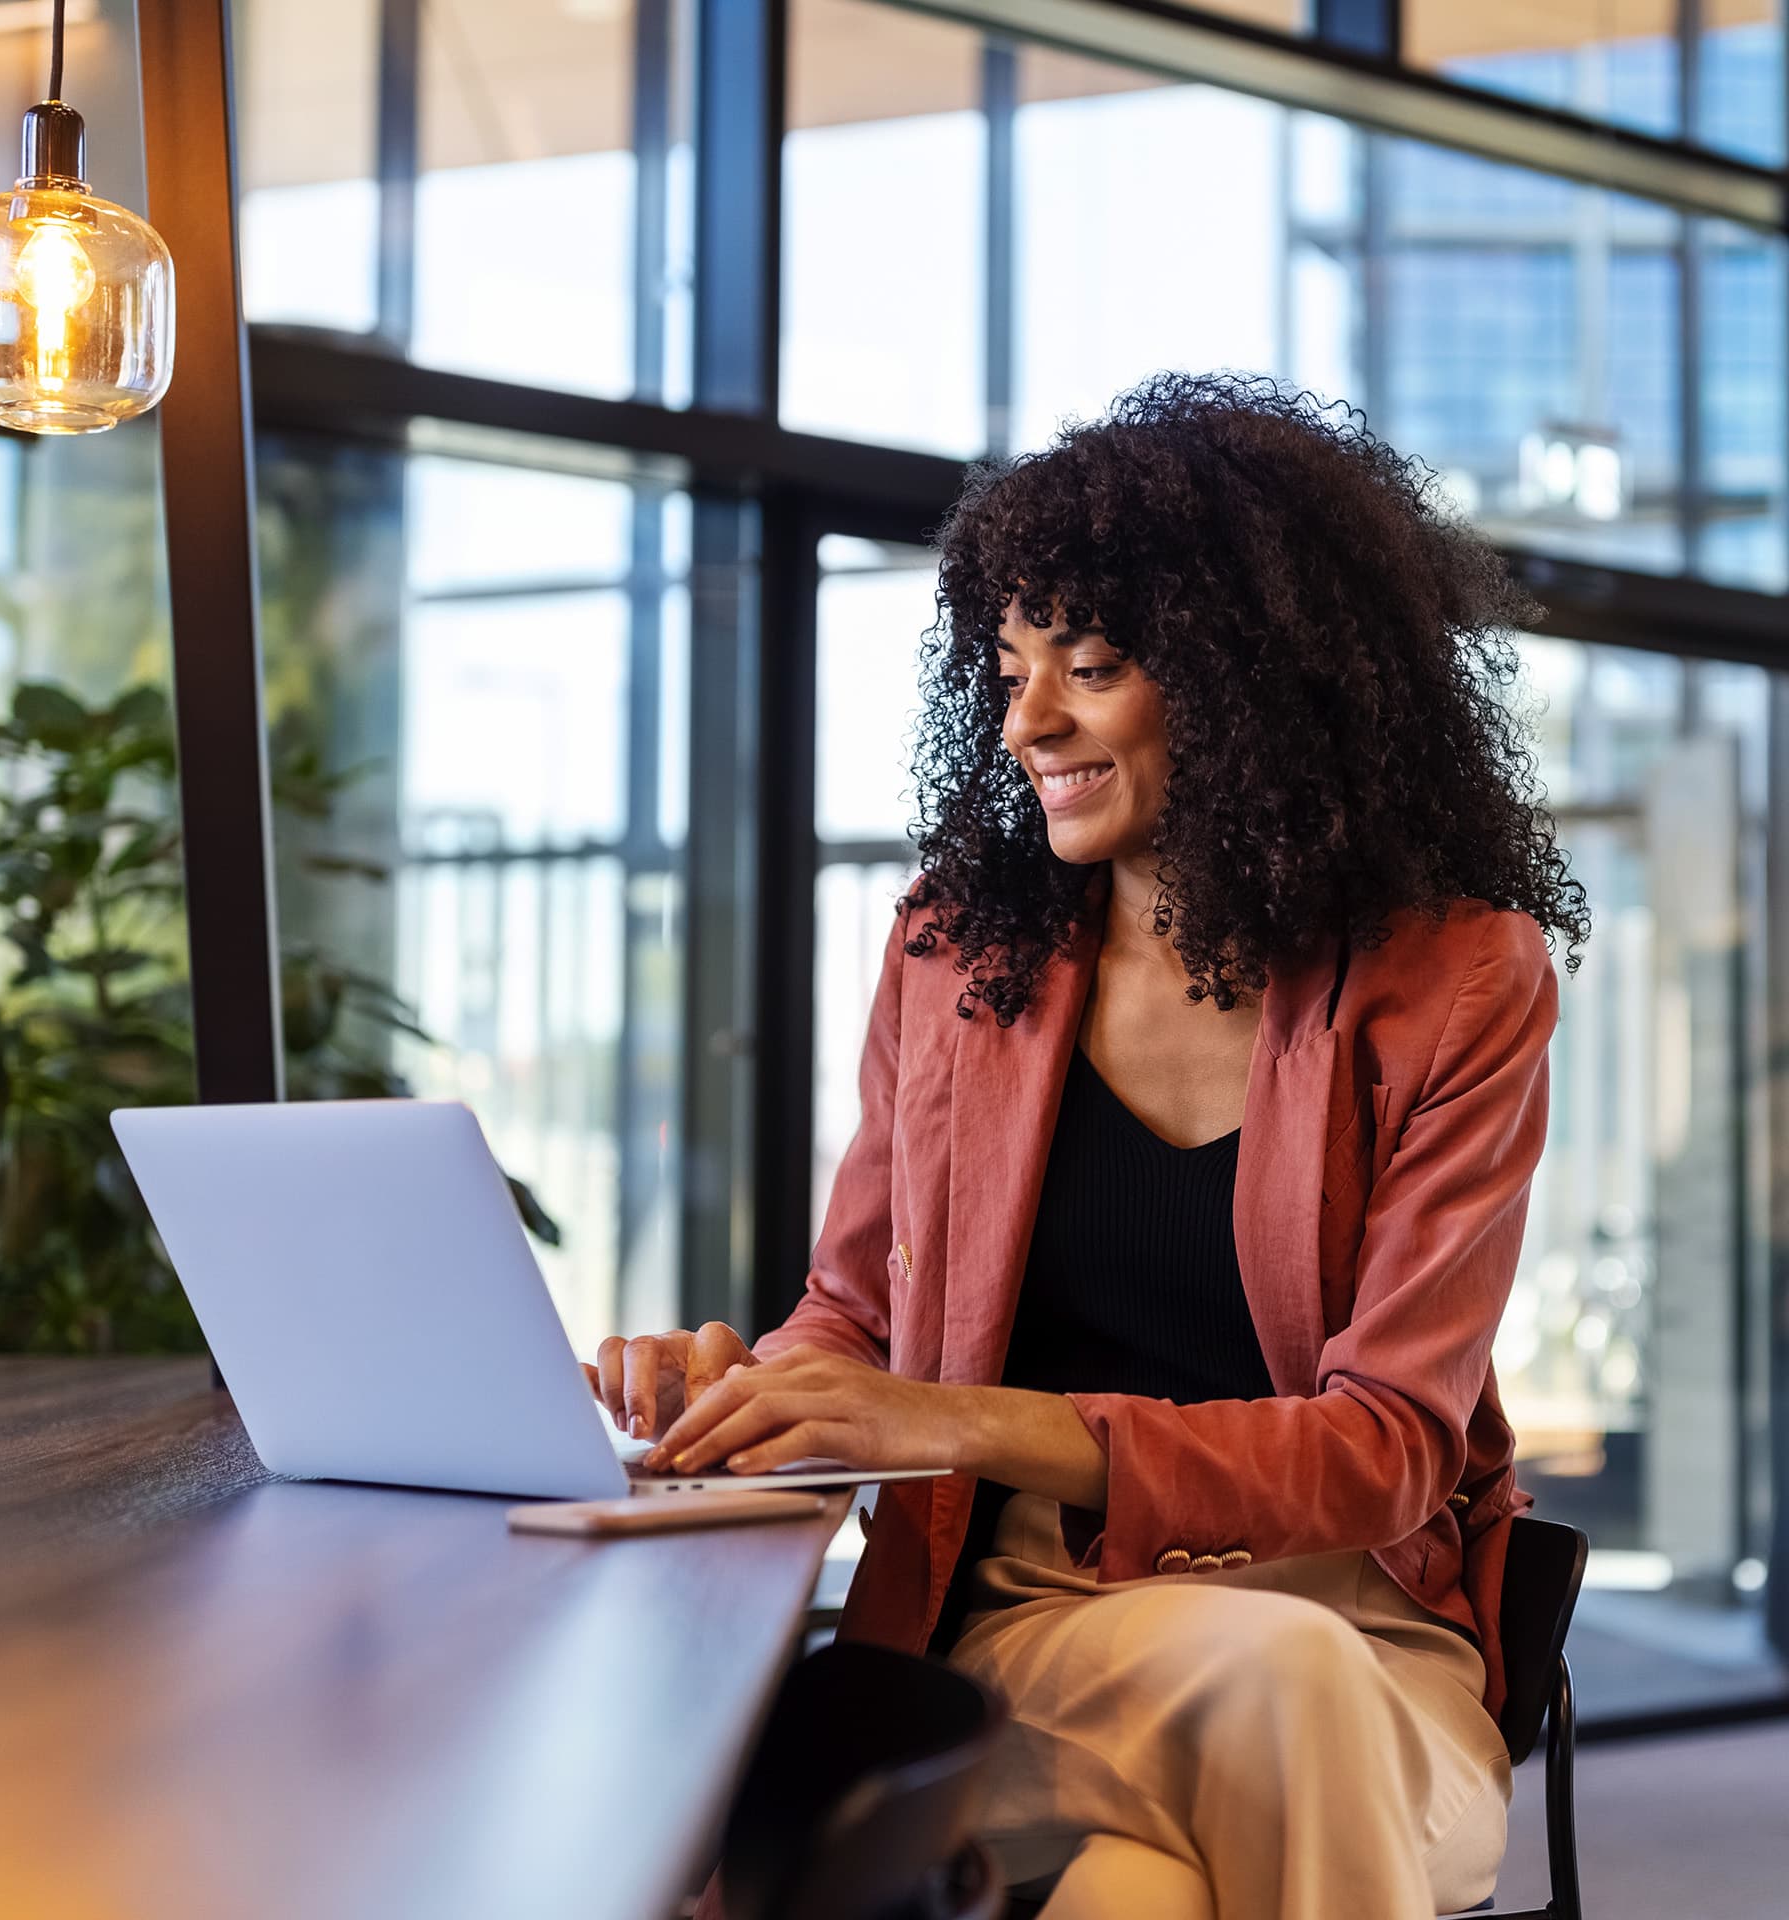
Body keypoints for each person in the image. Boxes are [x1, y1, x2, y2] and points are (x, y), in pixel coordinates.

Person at [586, 371, 1588, 1920]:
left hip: (1361, 1645)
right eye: (1009, 665)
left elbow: (1392, 1445)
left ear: (1258, 683)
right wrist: (749, 1385)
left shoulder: (1455, 981)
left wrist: (963, 1418)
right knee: (1259, 1716)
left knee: (1187, 1826)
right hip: (1028, 1619)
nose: (1028, 719)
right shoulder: (952, 954)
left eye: (1094, 666)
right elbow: (851, 1314)